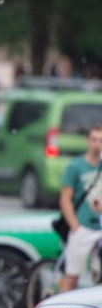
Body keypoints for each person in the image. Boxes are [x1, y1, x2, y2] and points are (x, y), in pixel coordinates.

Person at [58, 124, 102, 293]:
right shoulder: (76, 166)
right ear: (87, 141)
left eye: (101, 141)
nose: (97, 144)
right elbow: (65, 199)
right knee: (72, 275)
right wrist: (75, 226)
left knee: (97, 276)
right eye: (94, 140)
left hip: (99, 225)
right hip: (82, 225)